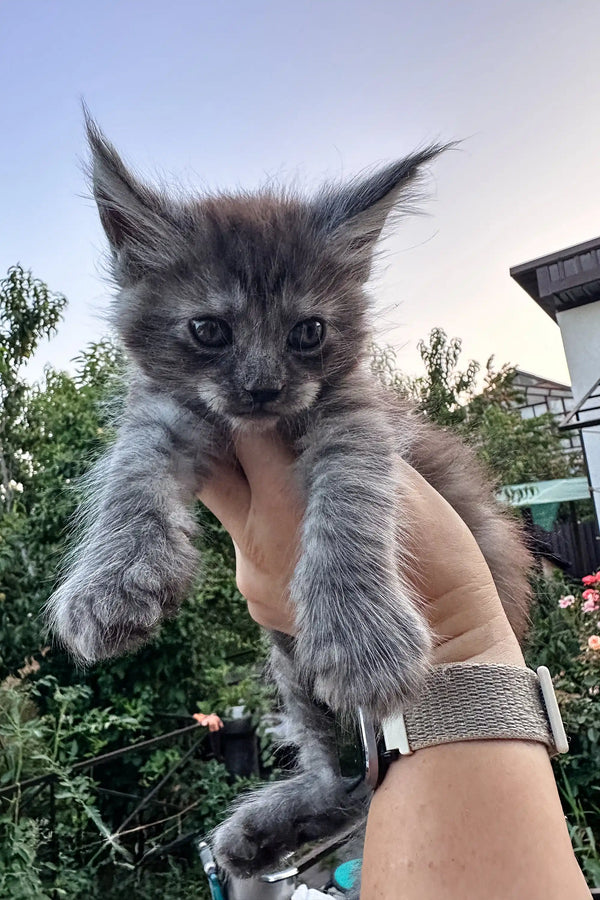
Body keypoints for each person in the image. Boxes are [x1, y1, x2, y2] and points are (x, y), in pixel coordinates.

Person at [198, 433, 592, 900]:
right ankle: (329, 781)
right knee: (296, 644)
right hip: (424, 658)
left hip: (427, 610)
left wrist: (456, 638)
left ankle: (332, 782)